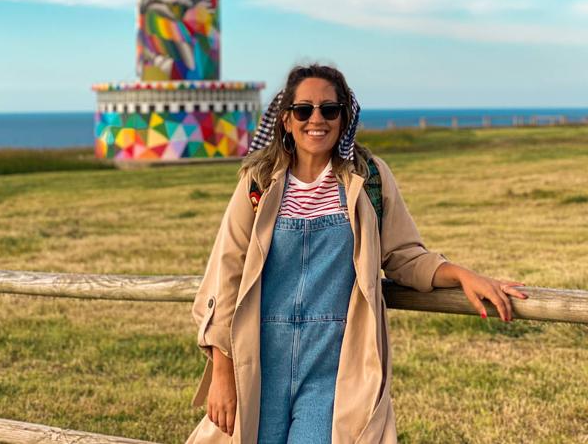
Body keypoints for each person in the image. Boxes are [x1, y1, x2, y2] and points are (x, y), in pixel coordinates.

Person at [185, 63, 528, 444]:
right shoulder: (258, 183)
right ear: (285, 120)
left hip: (332, 367)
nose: (317, 119)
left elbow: (404, 256)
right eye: (304, 110)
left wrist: (463, 275)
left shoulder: (369, 179)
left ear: (345, 117)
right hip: (259, 362)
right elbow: (226, 275)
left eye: (329, 109)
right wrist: (222, 373)